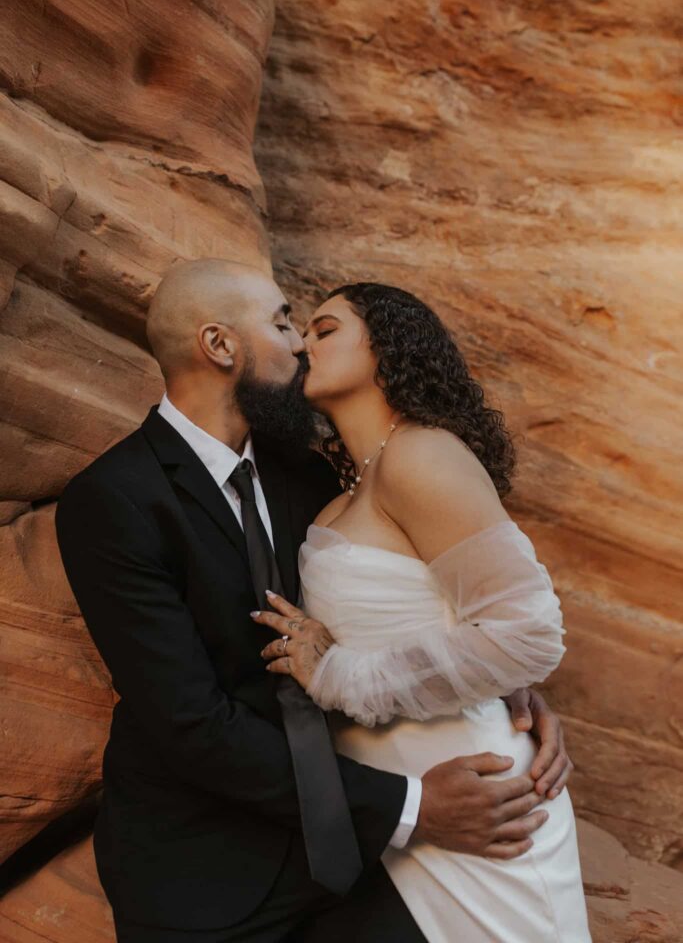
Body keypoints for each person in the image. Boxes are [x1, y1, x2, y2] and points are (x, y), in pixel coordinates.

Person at [56, 259, 574, 943]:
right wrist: (415, 807)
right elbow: (189, 724)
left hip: (358, 854)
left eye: (313, 327)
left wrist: (500, 691)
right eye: (281, 323)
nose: (298, 343)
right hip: (204, 867)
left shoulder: (305, 474)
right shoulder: (113, 499)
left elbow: (419, 603)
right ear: (219, 346)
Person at [252, 282, 592, 942]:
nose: (303, 344)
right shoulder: (344, 487)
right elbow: (438, 619)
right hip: (396, 811)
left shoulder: (421, 454)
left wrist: (336, 674)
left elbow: (527, 633)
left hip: (481, 803)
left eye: (325, 330)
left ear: (386, 349)